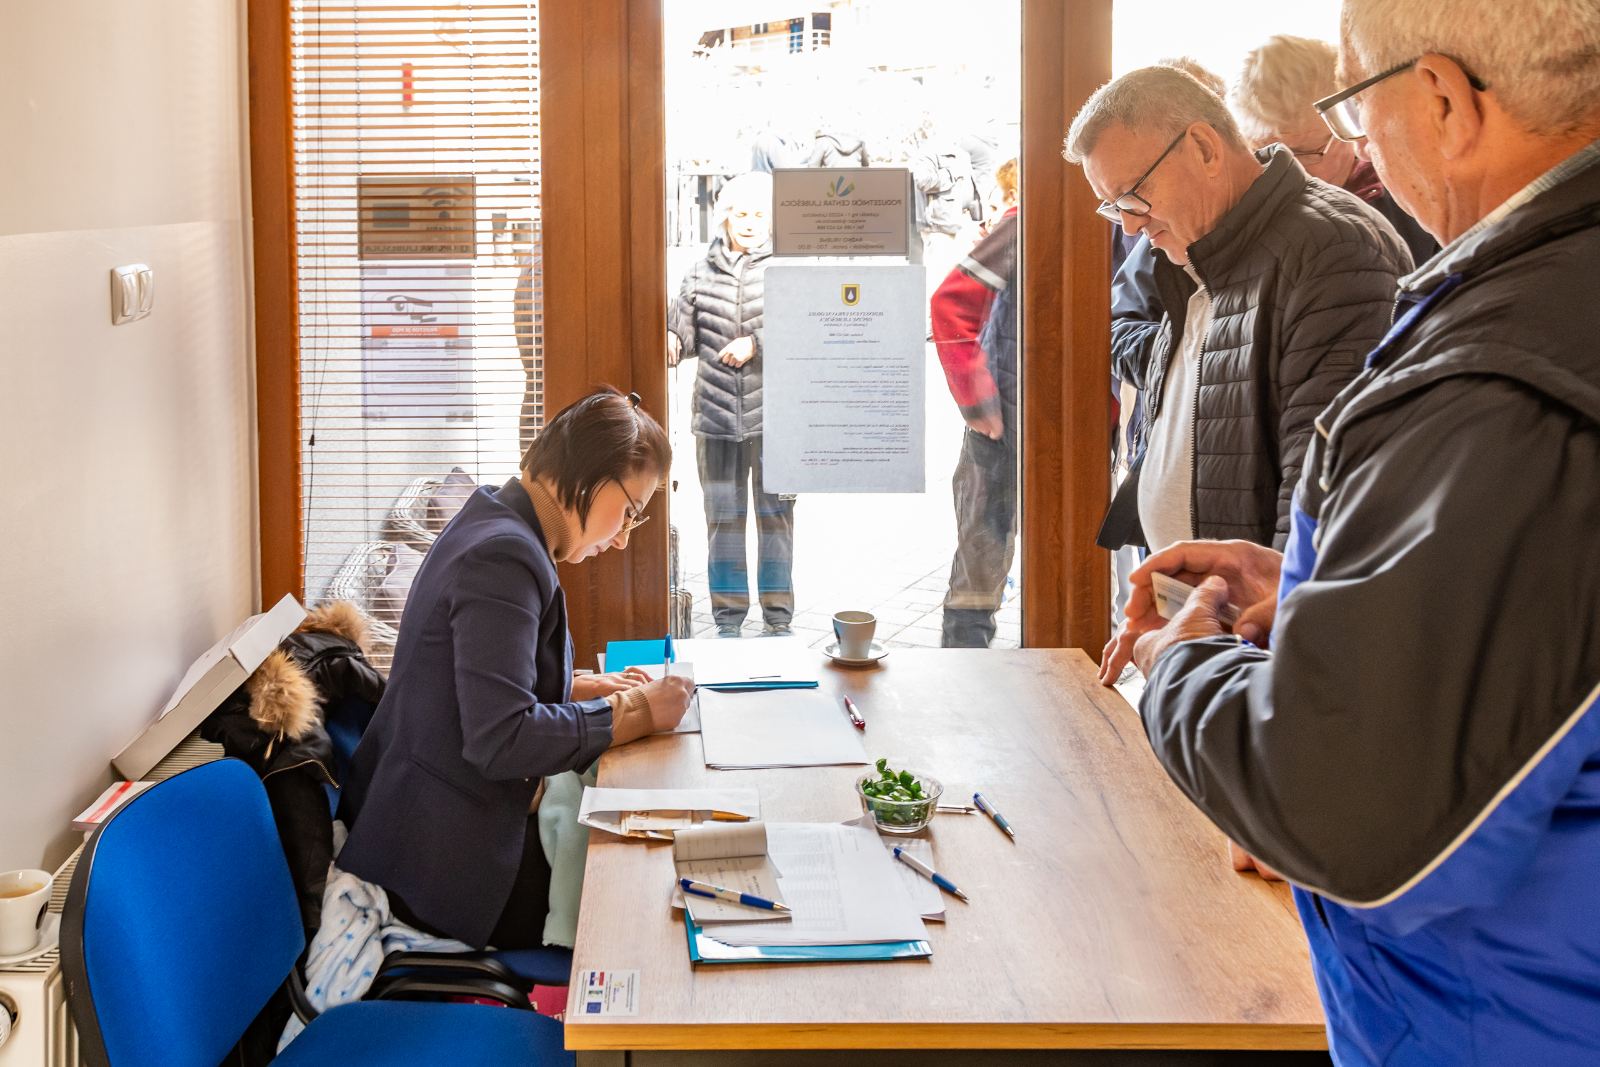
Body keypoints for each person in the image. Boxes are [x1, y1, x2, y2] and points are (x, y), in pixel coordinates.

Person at [1100, 0, 1600, 1060]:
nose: (1355, 141)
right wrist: (1324, 588)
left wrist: (1179, 658)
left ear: (1444, 99)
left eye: (1355, 101)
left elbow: (1339, 802)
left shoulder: (1505, 370)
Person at [336, 388, 694, 949]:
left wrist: (577, 688)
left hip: (436, 814)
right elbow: (501, 738)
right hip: (441, 860)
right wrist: (634, 710)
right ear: (592, 475)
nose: (625, 538)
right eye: (630, 512)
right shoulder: (502, 558)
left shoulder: (493, 519)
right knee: (641, 886)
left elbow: (478, 684)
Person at [1064, 66, 1411, 557]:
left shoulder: (1333, 249)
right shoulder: (1195, 241)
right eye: (1113, 206)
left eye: (1133, 195)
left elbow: (1324, 490)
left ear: (1204, 148)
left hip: (1244, 601)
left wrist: (1258, 603)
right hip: (1197, 592)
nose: (1129, 225)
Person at [668, 172, 794, 638]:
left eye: (759, 214)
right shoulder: (699, 272)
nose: (750, 223)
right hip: (715, 419)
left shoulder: (785, 269)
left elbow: (805, 325)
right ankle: (727, 620)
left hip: (774, 422)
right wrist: (672, 339)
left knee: (776, 522)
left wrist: (756, 343)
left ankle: (778, 619)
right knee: (723, 522)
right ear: (725, 217)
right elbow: (683, 331)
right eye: (741, 213)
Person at [1231, 33, 1437, 264]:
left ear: (1348, 127)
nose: (1283, 170)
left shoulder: (1418, 199)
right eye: (1265, 154)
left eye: (1300, 154)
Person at [932, 159, 1018, 647]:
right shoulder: (1022, 226)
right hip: (1003, 427)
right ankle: (962, 672)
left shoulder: (1116, 224)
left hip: (1072, 428)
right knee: (979, 571)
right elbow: (950, 304)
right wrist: (979, 403)